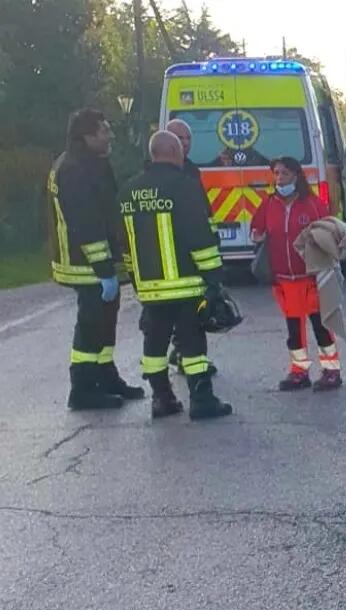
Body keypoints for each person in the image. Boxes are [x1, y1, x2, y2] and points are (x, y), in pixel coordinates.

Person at [119, 131, 233, 420]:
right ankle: (202, 399)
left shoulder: (129, 191)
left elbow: (122, 242)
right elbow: (200, 235)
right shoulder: (185, 186)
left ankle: (161, 398)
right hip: (185, 285)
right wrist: (214, 277)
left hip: (149, 288)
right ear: (173, 151)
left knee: (154, 343)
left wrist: (135, 280)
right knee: (192, 343)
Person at [46, 108, 144, 410]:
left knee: (104, 320)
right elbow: (86, 223)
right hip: (84, 264)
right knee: (90, 324)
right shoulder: (76, 169)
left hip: (92, 262)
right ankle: (83, 389)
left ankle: (105, 376)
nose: (110, 135)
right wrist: (103, 268)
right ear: (88, 136)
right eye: (104, 130)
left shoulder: (89, 163)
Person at [250, 157, 344, 391]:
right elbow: (257, 227)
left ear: (296, 176)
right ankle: (298, 371)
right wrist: (257, 235)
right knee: (294, 329)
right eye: (276, 174)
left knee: (320, 325)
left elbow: (329, 231)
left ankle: (331, 370)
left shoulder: (311, 204)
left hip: (310, 277)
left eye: (284, 173)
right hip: (284, 279)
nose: (279, 178)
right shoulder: (269, 203)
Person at [162, 118, 219, 378]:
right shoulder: (161, 173)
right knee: (183, 311)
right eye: (179, 139)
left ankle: (181, 351)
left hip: (192, 249)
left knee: (191, 308)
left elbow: (202, 209)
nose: (185, 144)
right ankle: (187, 357)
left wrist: (212, 240)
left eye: (188, 139)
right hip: (170, 251)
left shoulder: (192, 170)